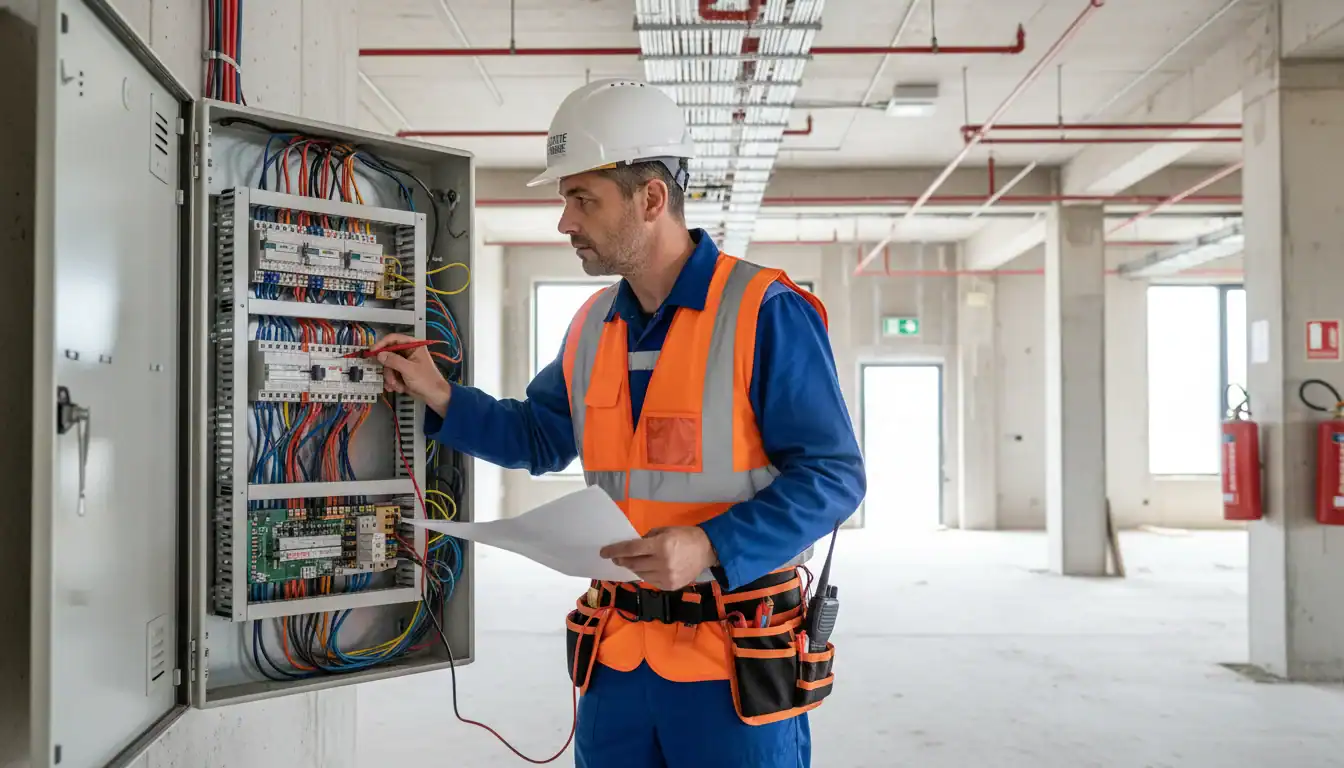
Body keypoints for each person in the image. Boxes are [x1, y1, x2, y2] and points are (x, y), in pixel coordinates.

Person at [371, 78, 865, 768]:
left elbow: (834, 477)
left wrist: (709, 544)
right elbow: (540, 437)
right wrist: (442, 396)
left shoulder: (764, 310)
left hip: (731, 660)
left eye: (583, 199)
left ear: (651, 200)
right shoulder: (592, 325)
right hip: (618, 660)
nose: (565, 221)